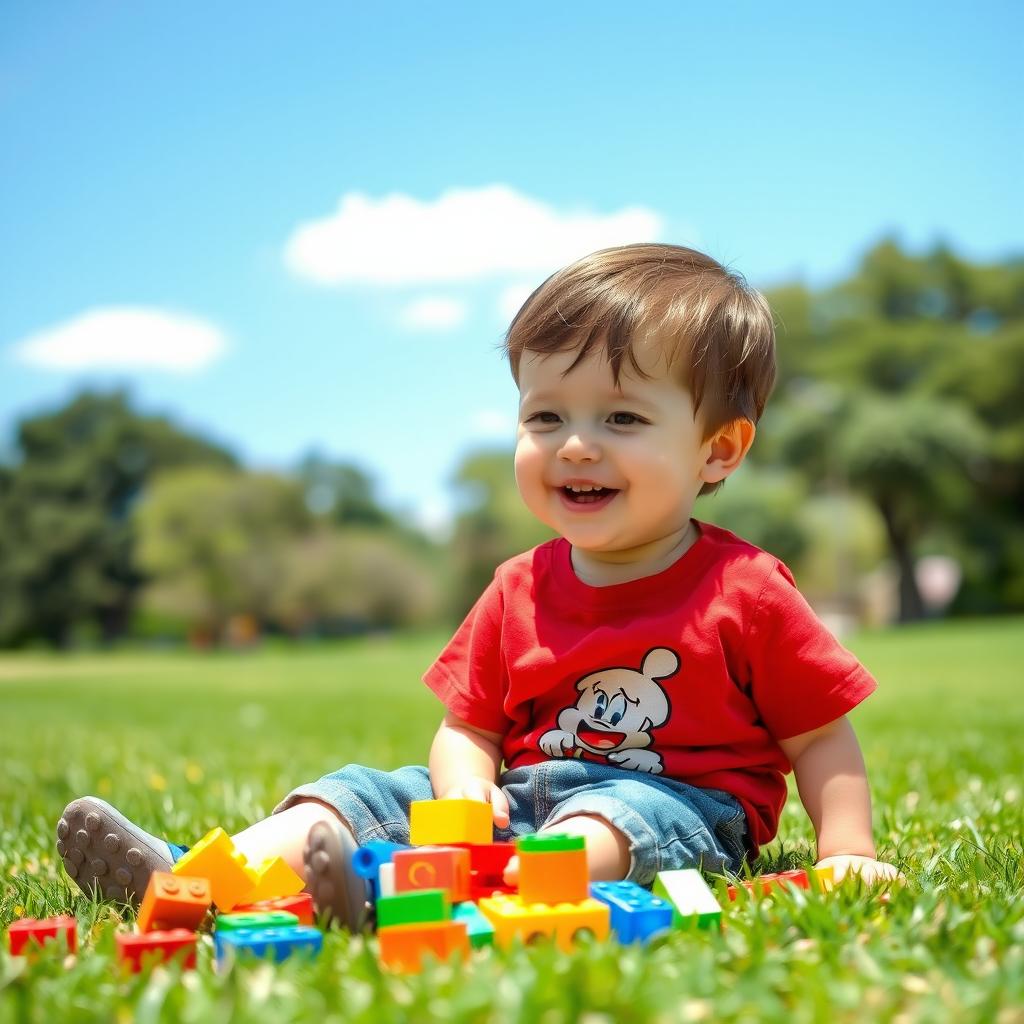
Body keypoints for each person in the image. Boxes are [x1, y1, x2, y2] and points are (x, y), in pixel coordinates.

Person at [56, 243, 899, 928]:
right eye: (546, 417)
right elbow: (466, 729)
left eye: (623, 418)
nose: (574, 445)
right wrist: (462, 785)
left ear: (718, 449)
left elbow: (820, 736)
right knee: (365, 793)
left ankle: (416, 897)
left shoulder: (743, 588)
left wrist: (847, 849)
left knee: (610, 824)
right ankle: (205, 875)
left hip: (675, 803)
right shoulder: (517, 586)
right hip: (508, 799)